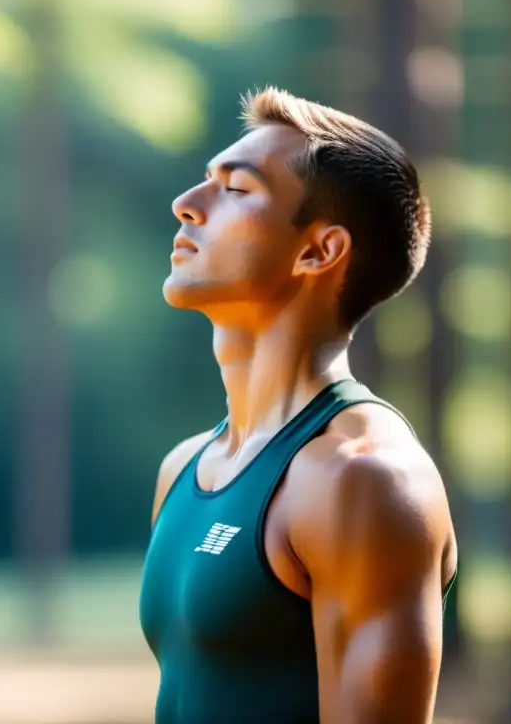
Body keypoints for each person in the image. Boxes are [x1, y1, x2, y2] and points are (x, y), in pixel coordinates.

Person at [138, 86, 458, 724]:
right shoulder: (184, 469)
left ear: (319, 251)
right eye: (206, 181)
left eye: (236, 189)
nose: (186, 205)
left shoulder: (363, 479)